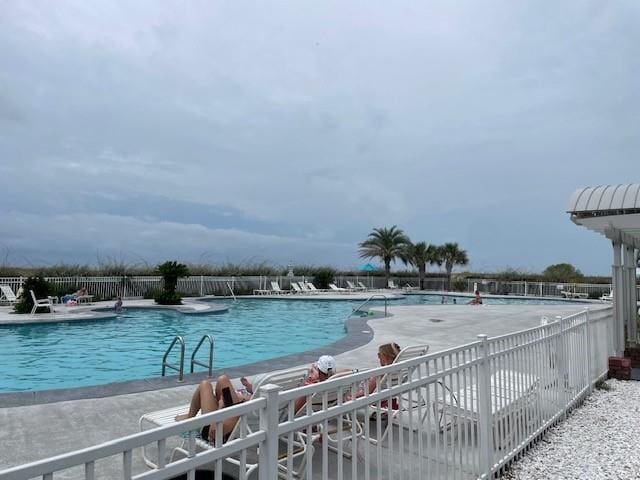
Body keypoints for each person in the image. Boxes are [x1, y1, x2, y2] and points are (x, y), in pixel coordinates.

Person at [175, 355, 337, 443]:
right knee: (223, 380)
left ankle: (191, 417)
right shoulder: (313, 392)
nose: (311, 369)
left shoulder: (304, 393)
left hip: (217, 431)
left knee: (205, 384)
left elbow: (275, 408)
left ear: (319, 378)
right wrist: (248, 396)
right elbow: (271, 405)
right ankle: (219, 406)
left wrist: (230, 404)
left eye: (315, 369)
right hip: (246, 417)